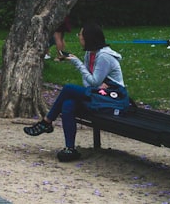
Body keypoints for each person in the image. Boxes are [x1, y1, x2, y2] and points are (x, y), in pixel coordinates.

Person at [24, 22, 125, 162]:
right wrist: (93, 83)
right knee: (68, 104)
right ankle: (70, 148)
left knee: (68, 89)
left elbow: (93, 81)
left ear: (88, 38)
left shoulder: (104, 57)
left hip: (113, 98)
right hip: (97, 94)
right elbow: (89, 82)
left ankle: (47, 122)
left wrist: (77, 63)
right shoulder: (90, 54)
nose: (79, 37)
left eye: (81, 35)